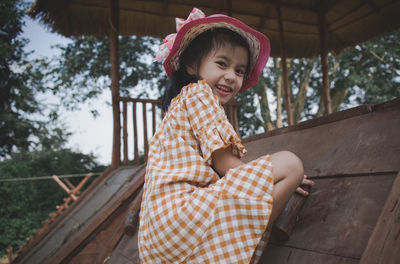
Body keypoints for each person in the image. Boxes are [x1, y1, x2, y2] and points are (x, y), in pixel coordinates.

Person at [138, 8, 314, 263]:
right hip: (181, 218)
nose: (231, 76)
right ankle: (244, 235)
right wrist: (272, 180)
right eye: (222, 64)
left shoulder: (180, 106)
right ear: (190, 64)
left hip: (157, 235)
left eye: (240, 71)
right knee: (290, 164)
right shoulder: (200, 95)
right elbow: (227, 166)